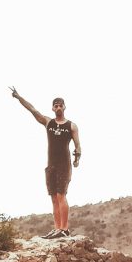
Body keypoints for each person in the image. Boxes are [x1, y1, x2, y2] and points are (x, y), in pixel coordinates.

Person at [10, 87, 81, 238]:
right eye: (56, 106)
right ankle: (57, 229)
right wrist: (18, 96)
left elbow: (78, 145)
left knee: (61, 195)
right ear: (52, 108)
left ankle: (65, 229)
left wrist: (77, 158)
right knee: (53, 197)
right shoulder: (48, 122)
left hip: (64, 164)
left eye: (61, 105)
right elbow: (32, 110)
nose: (58, 107)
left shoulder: (71, 126)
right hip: (51, 164)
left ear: (65, 107)